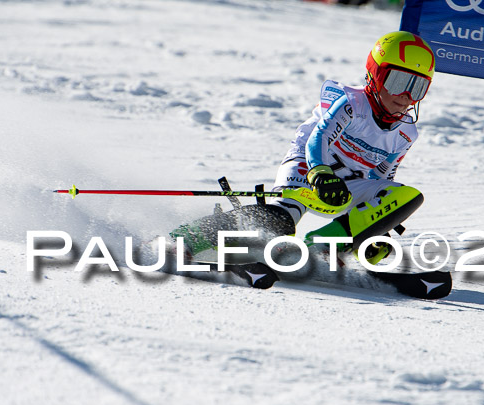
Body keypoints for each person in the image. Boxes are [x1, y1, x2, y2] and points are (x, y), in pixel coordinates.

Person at [172, 31, 436, 265]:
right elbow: (318, 138)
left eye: (418, 87)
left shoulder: (406, 132)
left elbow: (383, 179)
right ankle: (189, 238)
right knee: (280, 222)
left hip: (345, 188)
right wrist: (320, 174)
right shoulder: (352, 104)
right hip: (308, 168)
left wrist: (377, 226)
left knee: (408, 196)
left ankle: (321, 248)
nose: (406, 97)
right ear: (376, 76)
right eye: (399, 82)